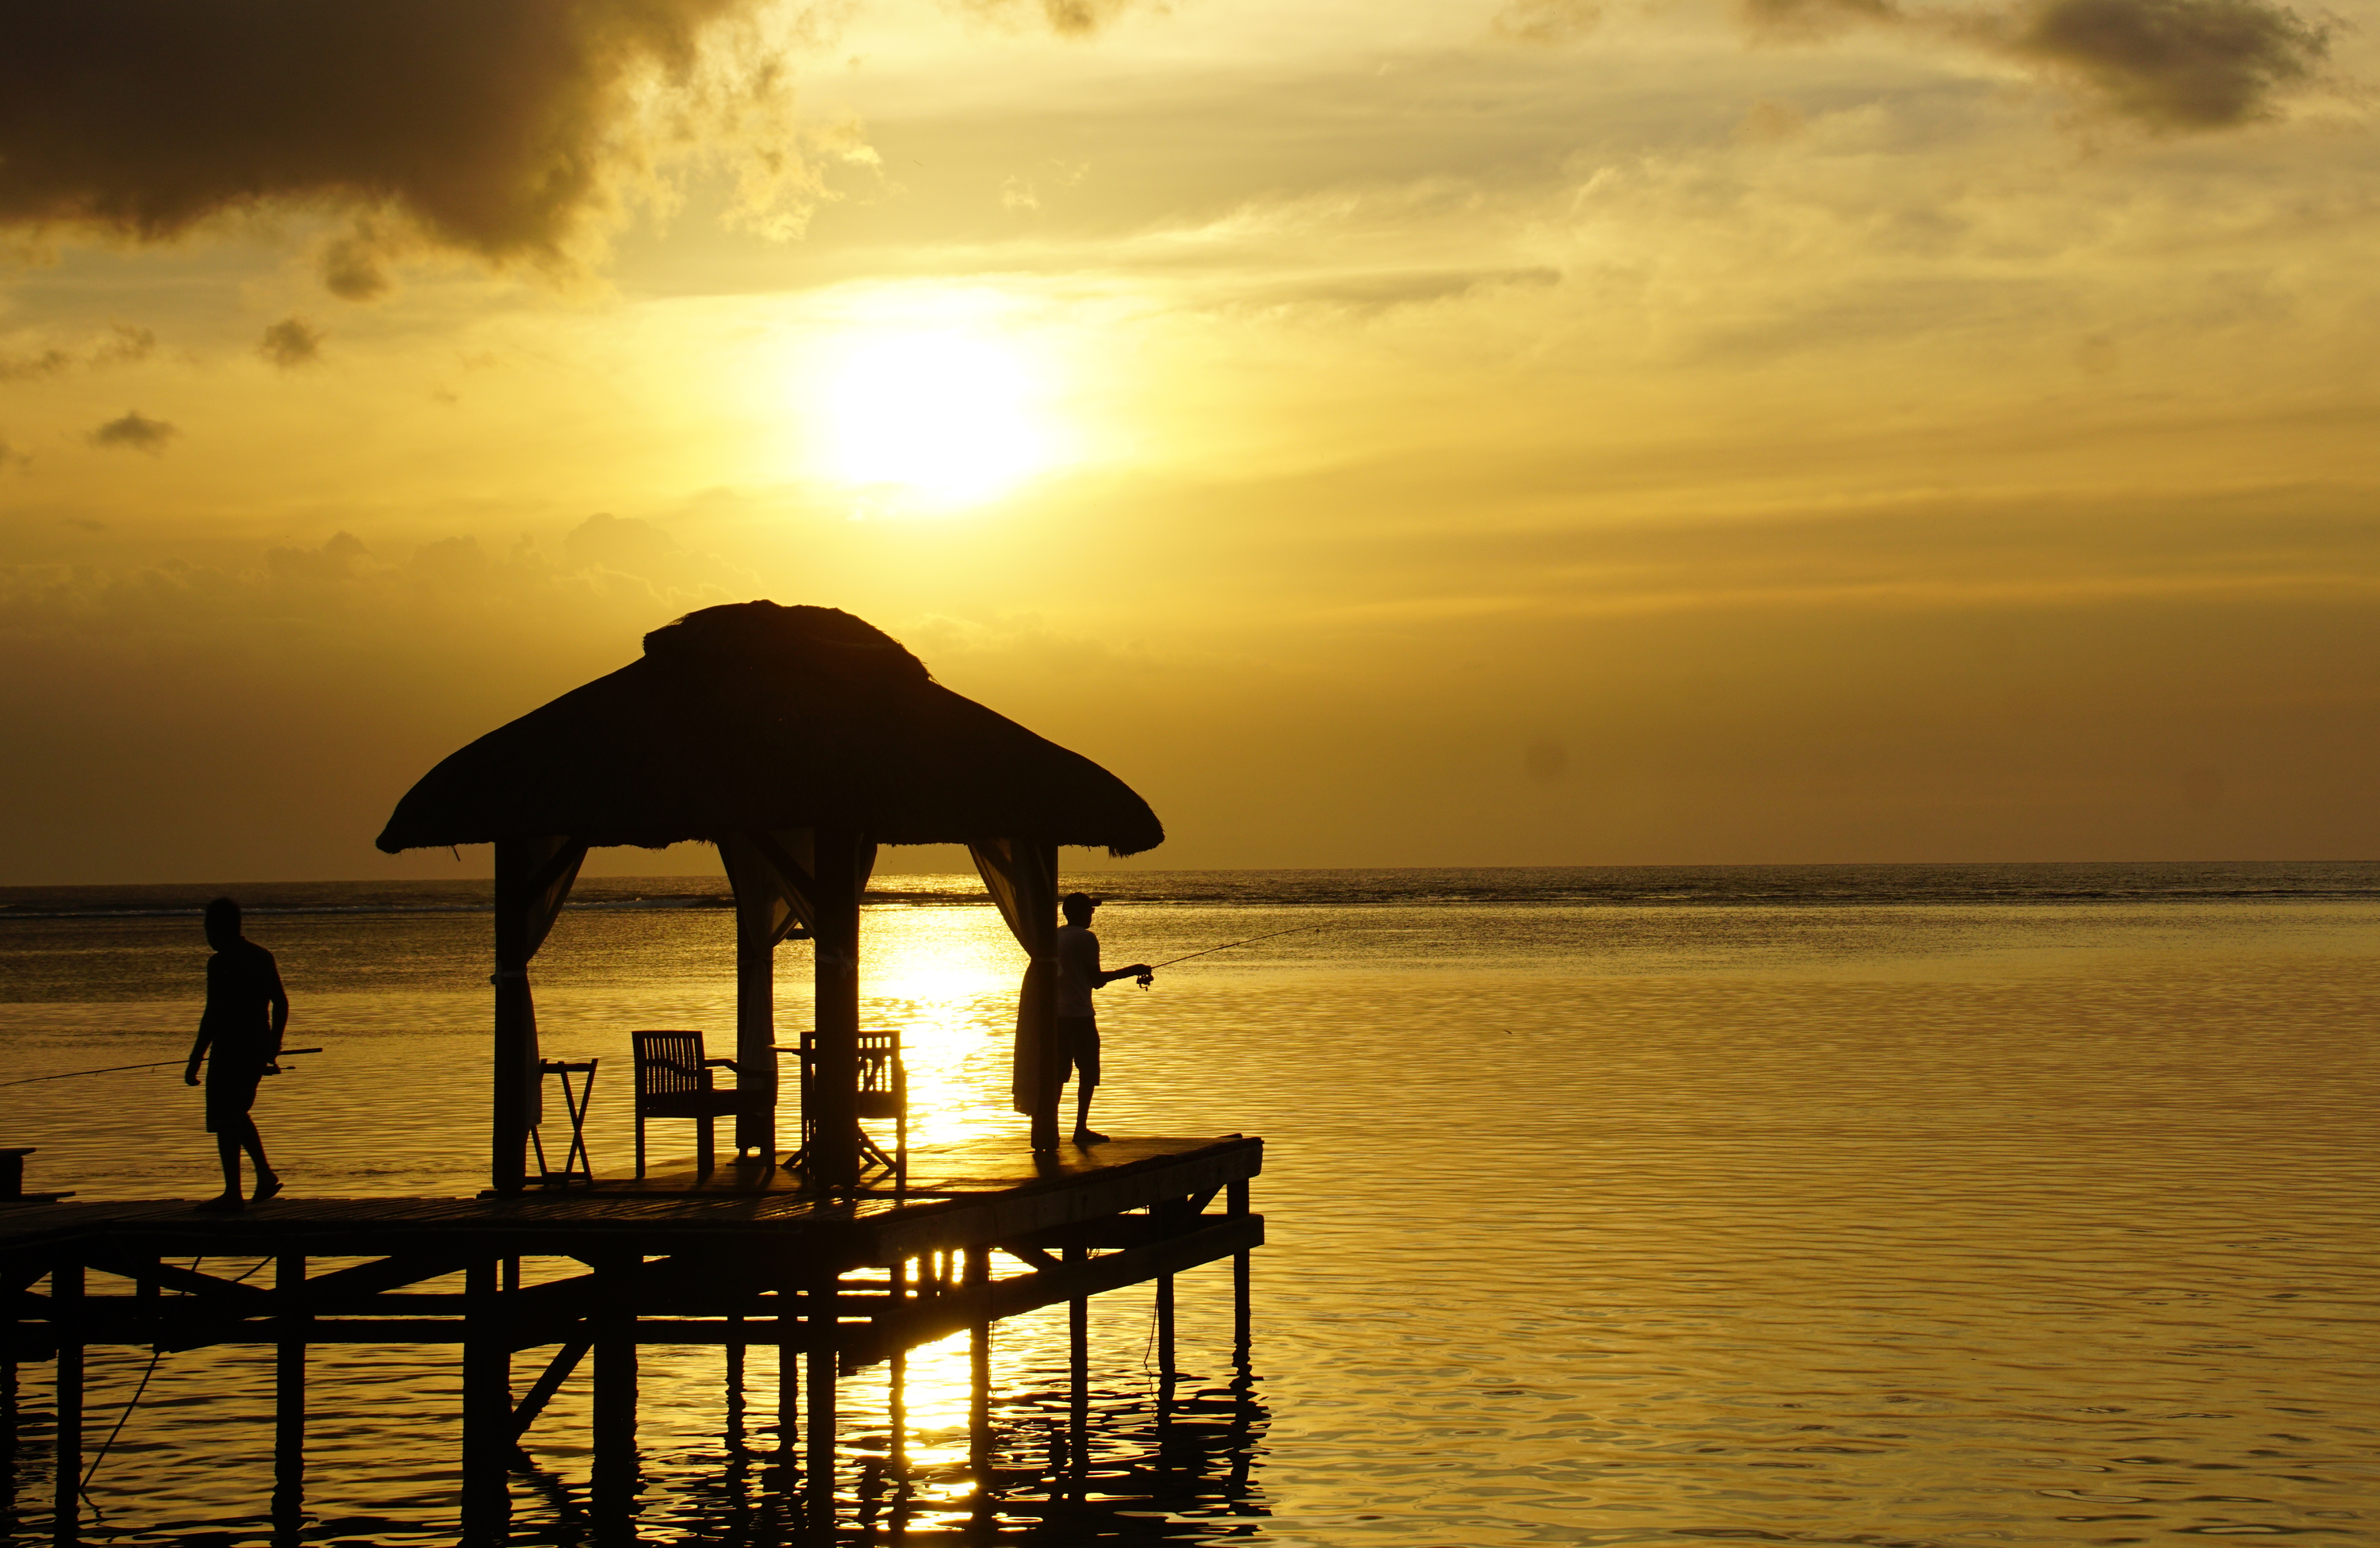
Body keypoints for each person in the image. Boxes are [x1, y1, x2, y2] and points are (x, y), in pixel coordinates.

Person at [183, 897, 288, 1210]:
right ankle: (264, 1174)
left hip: (230, 1049)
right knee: (236, 1114)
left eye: (207, 927)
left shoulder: (221, 962)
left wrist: (195, 1059)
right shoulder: (261, 956)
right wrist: (272, 1044)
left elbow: (212, 1014)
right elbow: (280, 1004)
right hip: (255, 1047)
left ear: (219, 927)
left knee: (225, 1119)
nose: (206, 934)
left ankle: (233, 1193)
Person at [1044, 892, 1151, 1149]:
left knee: (1058, 1075)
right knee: (1088, 1071)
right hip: (1080, 1016)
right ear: (1081, 912)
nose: (1093, 914)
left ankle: (1052, 1128)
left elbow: (1086, 977)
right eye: (1090, 910)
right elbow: (1096, 979)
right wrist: (1133, 970)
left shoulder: (1055, 936)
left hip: (1057, 1016)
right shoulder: (1087, 938)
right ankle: (1080, 1128)